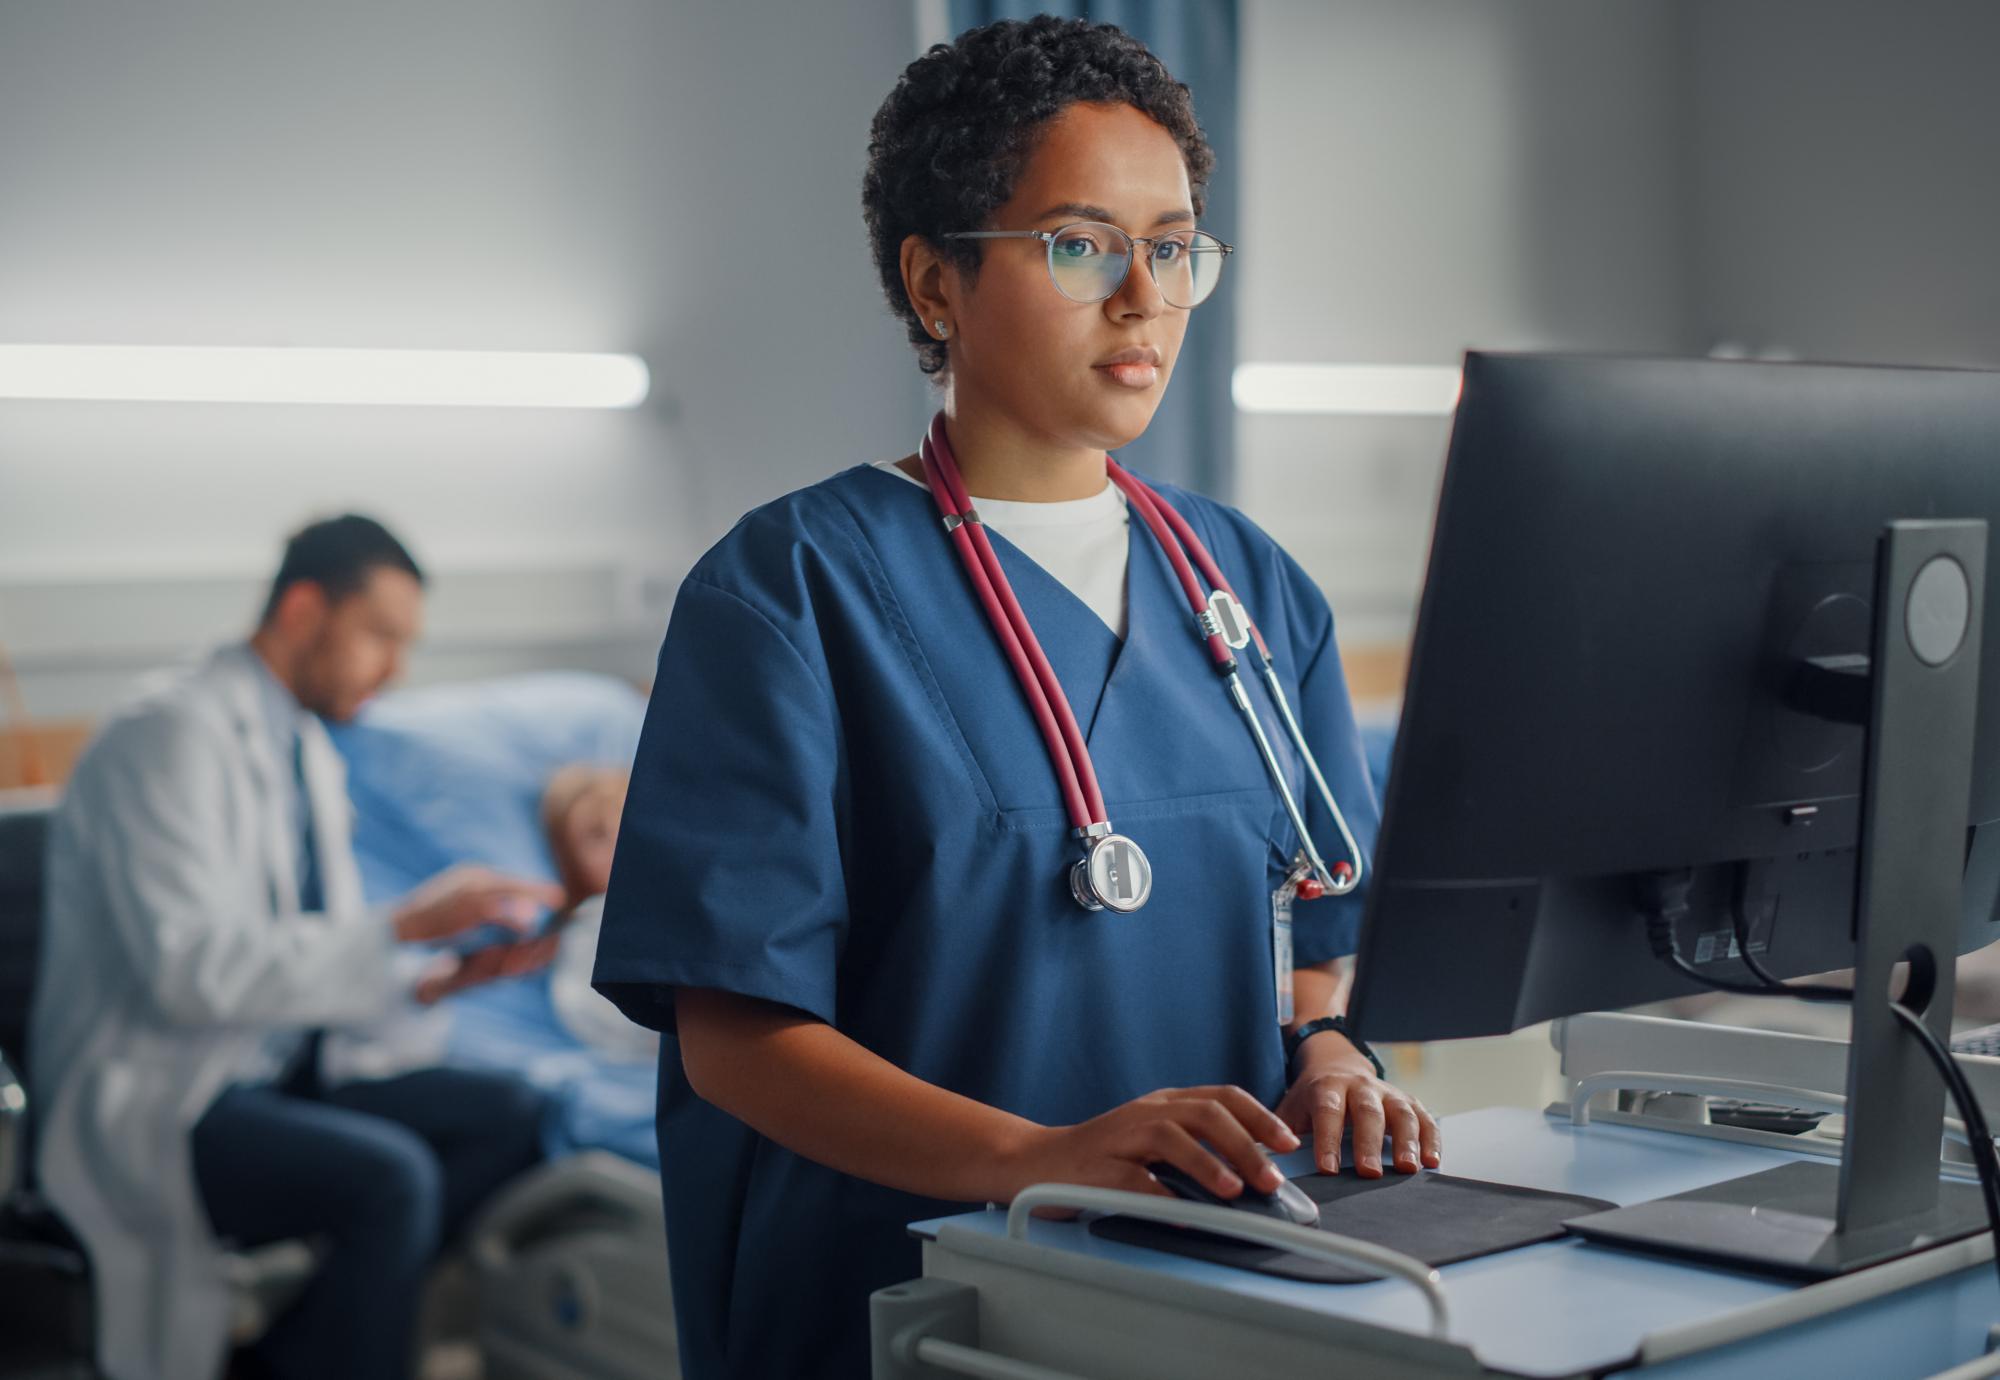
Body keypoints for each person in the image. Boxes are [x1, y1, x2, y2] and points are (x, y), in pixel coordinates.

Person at [592, 18, 1441, 1379]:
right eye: (1080, 243)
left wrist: (1332, 1057)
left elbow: (1313, 941)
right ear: (936, 285)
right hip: (906, 1302)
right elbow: (736, 1040)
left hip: (1210, 1292)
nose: (1142, 294)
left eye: (1171, 247)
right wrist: (1035, 1160)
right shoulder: (790, 589)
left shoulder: (1254, 588)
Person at [29, 514, 564, 1380]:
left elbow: (308, 952)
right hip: (168, 1096)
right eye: (381, 636)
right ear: (306, 608)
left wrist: (434, 980)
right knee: (389, 1181)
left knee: (511, 1114)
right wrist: (402, 925)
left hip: (275, 1067)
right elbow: (189, 974)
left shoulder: (304, 747)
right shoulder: (166, 737)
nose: (395, 670)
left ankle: (299, 1356)